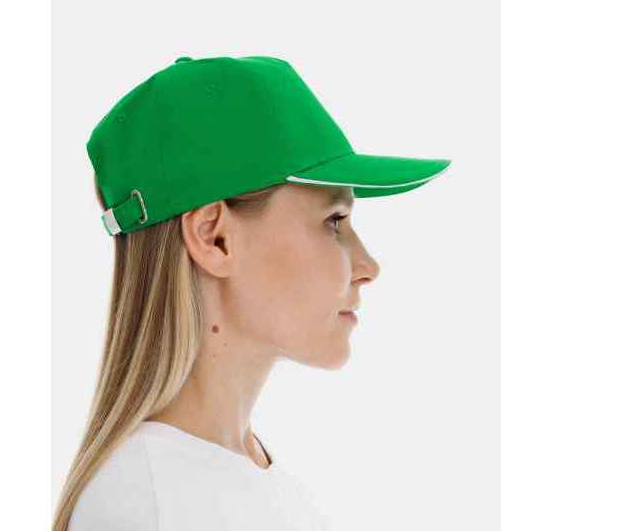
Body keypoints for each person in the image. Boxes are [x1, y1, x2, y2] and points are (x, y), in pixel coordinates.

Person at [53, 55, 451, 531]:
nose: (368, 266)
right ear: (214, 238)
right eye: (334, 221)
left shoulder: (252, 484)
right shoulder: (146, 501)